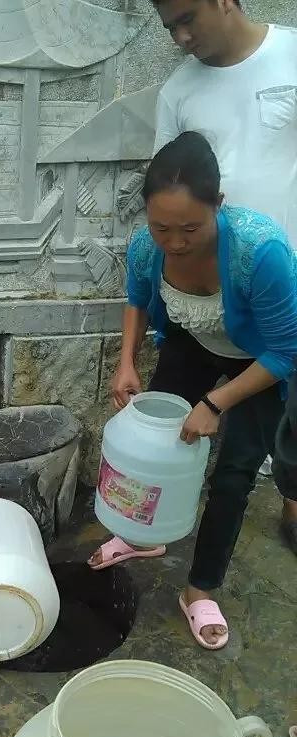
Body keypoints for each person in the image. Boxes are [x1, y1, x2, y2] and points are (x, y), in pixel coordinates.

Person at [88, 132, 297, 650]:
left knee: (234, 473)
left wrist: (215, 403)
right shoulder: (147, 247)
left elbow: (285, 350)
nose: (175, 242)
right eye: (161, 227)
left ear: (218, 205)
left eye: (190, 228)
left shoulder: (260, 252)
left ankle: (200, 588)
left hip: (261, 362)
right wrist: (127, 362)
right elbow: (137, 298)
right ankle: (143, 536)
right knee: (154, 441)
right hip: (193, 340)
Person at [151, 0, 297, 551]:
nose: (181, 37)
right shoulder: (178, 92)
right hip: (210, 288)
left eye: (188, 18)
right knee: (187, 412)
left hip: (283, 279)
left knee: (286, 411)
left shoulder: (292, 55)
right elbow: (165, 189)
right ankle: (157, 517)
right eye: (170, 27)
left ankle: (292, 496)